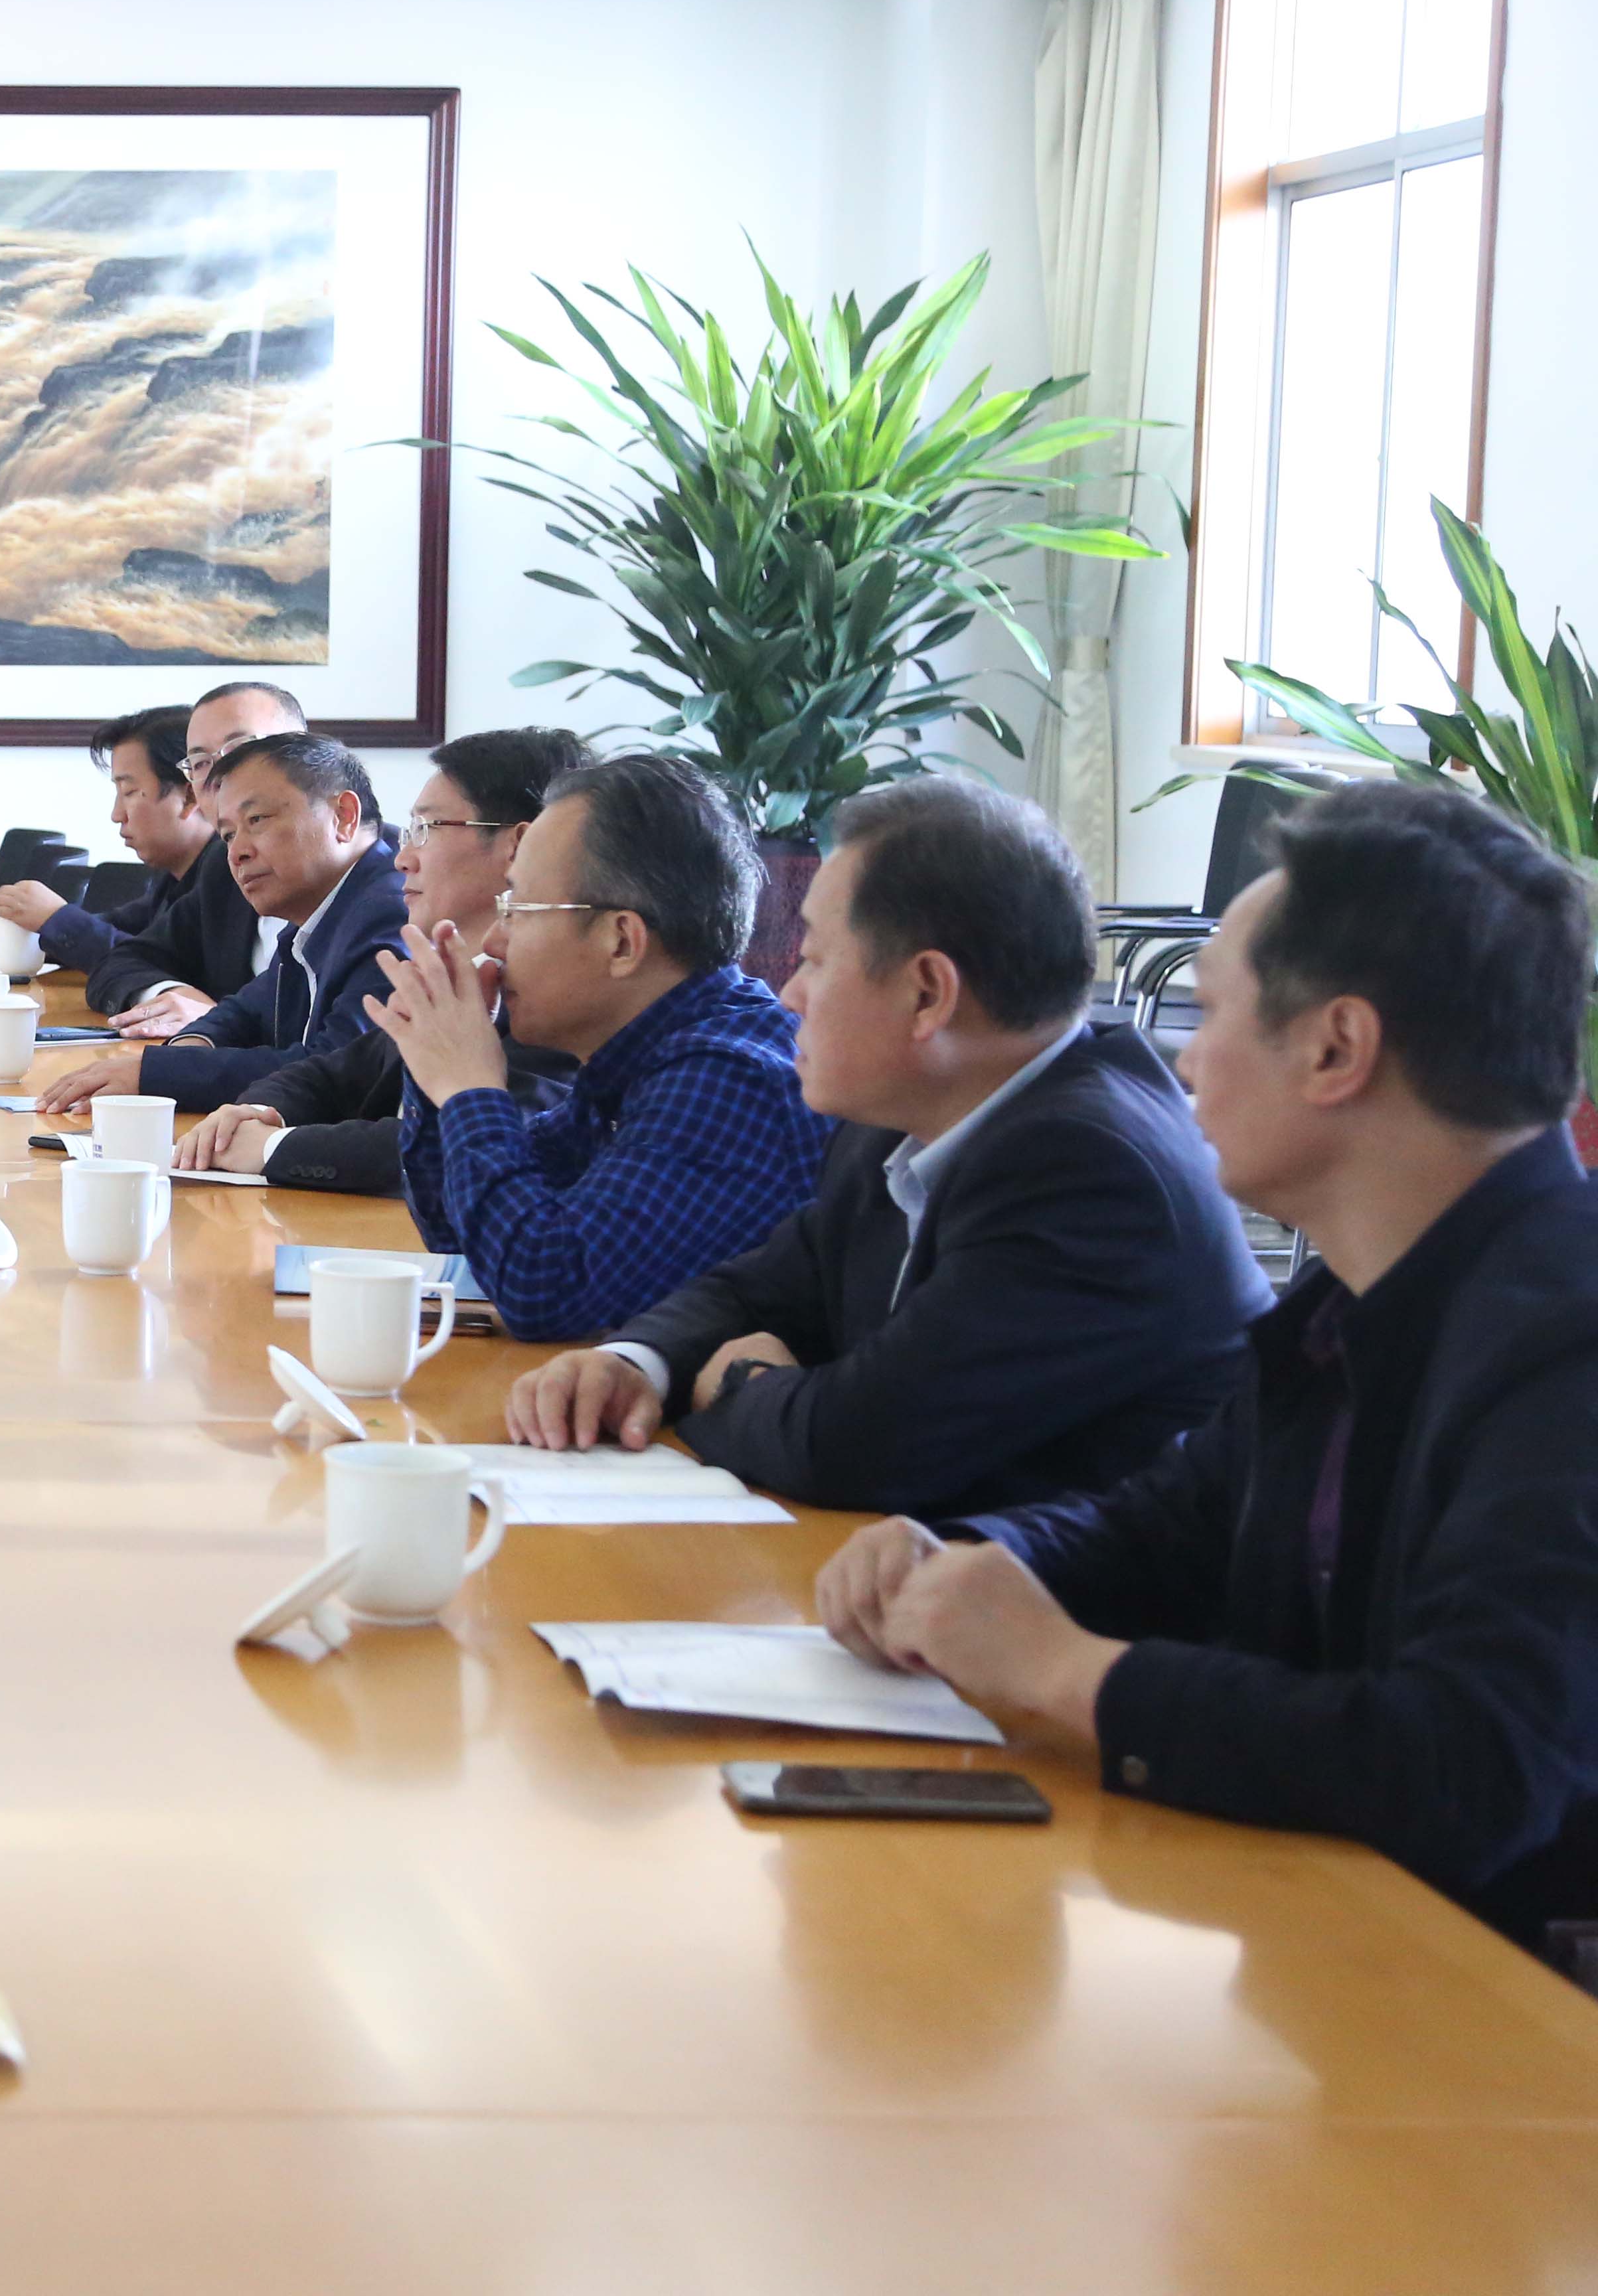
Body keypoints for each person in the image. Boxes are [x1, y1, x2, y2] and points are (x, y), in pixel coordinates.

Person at [817, 785, 1598, 1956]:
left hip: (1508, 2012)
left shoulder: (1565, 1345)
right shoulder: (1351, 1304)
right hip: (1323, 1947)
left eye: (1215, 1009)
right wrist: (968, 1561)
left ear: (1336, 1049)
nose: (1185, 1059)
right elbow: (1166, 1533)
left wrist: (1072, 1674)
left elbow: (1467, 1764)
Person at [509, 779, 1267, 1513]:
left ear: (927, 994)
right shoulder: (901, 1117)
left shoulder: (1087, 1170)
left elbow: (855, 1447)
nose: (790, 995)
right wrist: (633, 1363)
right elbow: (756, 1289)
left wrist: (736, 1383)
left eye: (814, 960)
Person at [379, 753, 826, 1342]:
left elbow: (546, 1290)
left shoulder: (731, 1076)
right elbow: (462, 1237)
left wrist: (469, 1087)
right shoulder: (637, 1058)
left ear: (622, 942)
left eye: (518, 908)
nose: (495, 940)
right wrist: (439, 1074)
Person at [173, 726, 590, 1193]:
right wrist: (254, 1113)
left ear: (520, 846)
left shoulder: (562, 998)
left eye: (426, 830)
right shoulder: (461, 976)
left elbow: (466, 1150)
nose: (402, 858)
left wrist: (271, 1147)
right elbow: (331, 1073)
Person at [37, 732, 406, 1115]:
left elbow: (336, 1073)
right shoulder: (320, 909)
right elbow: (249, 1009)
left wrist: (159, 1075)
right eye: (228, 835)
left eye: (256, 820)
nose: (237, 853)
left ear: (343, 816)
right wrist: (188, 1049)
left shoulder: (391, 914)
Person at [56, 680, 311, 1032]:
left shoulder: (372, 885)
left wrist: (220, 1024)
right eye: (202, 763)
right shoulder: (224, 868)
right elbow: (122, 961)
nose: (221, 776)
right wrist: (172, 996)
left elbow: (330, 1053)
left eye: (242, 748)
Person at [0, 706, 205, 984]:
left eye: (130, 792)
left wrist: (56, 918)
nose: (117, 815)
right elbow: (128, 937)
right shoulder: (175, 877)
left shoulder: (230, 879)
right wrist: (42, 923)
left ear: (190, 797)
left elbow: (163, 971)